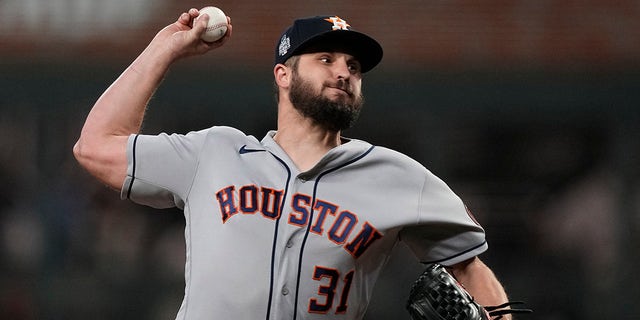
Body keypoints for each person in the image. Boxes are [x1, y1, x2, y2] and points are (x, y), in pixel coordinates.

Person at [74, 8, 512, 320]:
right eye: (326, 60)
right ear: (283, 74)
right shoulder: (215, 153)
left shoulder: (398, 177)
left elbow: (469, 266)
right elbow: (95, 146)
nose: (343, 72)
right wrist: (164, 49)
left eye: (354, 66)